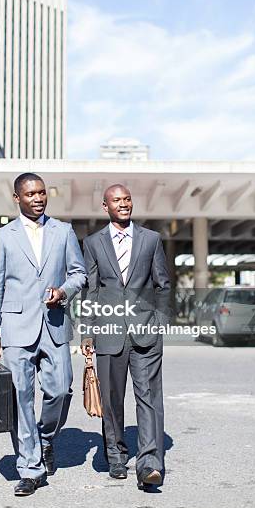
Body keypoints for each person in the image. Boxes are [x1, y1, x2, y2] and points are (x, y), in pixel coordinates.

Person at [0, 173, 86, 496]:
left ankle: (44, 439)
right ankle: (30, 468)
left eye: (42, 192)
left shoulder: (64, 231)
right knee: (21, 398)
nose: (38, 198)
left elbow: (78, 273)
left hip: (54, 325)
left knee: (60, 389)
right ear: (17, 198)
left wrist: (65, 291)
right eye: (30, 194)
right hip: (15, 329)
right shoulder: (2, 237)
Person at [81, 184, 171, 490]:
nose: (124, 204)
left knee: (149, 398)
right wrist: (87, 330)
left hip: (146, 333)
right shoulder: (93, 243)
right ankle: (116, 454)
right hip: (108, 332)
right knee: (112, 399)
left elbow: (163, 284)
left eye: (127, 199)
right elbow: (90, 289)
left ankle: (150, 464)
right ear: (105, 206)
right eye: (117, 200)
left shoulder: (151, 239)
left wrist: (158, 321)